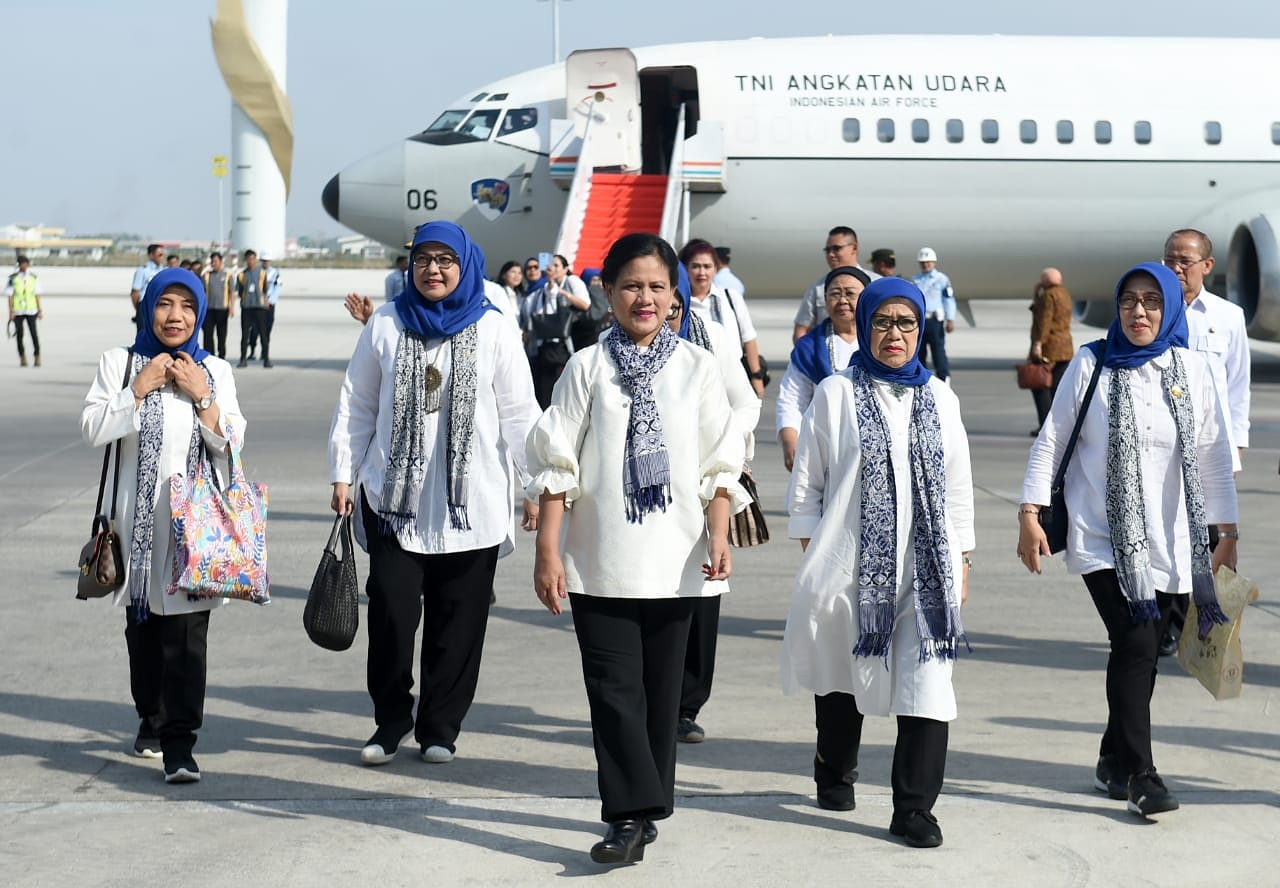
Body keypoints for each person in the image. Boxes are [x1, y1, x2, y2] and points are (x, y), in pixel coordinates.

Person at [527, 232, 746, 865]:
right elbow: (556, 463)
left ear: (674, 296)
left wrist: (720, 534)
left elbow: (719, 463)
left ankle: (645, 807)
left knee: (658, 695)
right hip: (600, 560)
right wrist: (548, 551)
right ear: (608, 292)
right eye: (630, 286)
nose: (643, 298)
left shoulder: (697, 368)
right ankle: (626, 817)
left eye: (656, 286)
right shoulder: (586, 367)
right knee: (612, 692)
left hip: (678, 560)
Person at [1018, 263, 1237, 819]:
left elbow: (1213, 455)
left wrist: (1227, 532)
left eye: (1152, 302)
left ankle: (1113, 758)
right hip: (1102, 536)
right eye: (1129, 301)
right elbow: (1052, 441)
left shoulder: (1192, 369)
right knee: (1137, 644)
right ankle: (1142, 773)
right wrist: (1029, 513)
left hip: (1173, 540)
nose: (1139, 312)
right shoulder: (1090, 363)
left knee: (1143, 653)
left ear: (1170, 309)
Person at [329, 221, 540, 769]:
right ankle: (390, 720)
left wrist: (536, 484)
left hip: (472, 504)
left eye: (446, 260)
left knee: (459, 623)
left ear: (465, 266)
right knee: (392, 617)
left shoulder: (494, 329)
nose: (433, 270)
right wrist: (343, 474)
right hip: (394, 502)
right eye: (424, 259)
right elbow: (357, 403)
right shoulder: (385, 323)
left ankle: (441, 727)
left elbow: (520, 413)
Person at [782, 276, 973, 849]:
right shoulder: (835, 394)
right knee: (843, 680)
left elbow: (958, 489)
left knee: (928, 682)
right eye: (883, 322)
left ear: (920, 329)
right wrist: (816, 556)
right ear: (865, 326)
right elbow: (807, 486)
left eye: (906, 323)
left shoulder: (940, 398)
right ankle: (834, 767)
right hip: (849, 567)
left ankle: (914, 808)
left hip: (927, 569)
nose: (895, 334)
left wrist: (961, 559)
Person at [80, 267, 246, 784]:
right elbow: (92, 429)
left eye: (188, 306)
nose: (176, 316)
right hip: (136, 530)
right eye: (165, 304)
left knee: (188, 639)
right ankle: (150, 719)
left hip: (194, 531)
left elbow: (233, 443)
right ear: (148, 308)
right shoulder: (120, 362)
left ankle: (180, 744)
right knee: (144, 635)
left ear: (200, 313)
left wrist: (203, 397)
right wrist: (137, 390)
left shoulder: (213, 369)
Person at [666, 263, 761, 745]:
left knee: (698, 598)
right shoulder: (605, 351)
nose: (662, 313)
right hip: (641, 495)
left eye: (673, 306)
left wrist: (723, 444)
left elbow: (746, 402)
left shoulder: (713, 340)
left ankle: (685, 706)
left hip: (704, 490)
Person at [1158, 229, 1250, 656]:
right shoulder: (1153, 311)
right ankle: (1169, 626)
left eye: (1185, 261)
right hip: (1163, 446)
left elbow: (1238, 388)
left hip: (1211, 448)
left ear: (1207, 266)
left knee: (1214, 539)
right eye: (1170, 259)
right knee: (1170, 536)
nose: (1176, 268)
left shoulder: (1228, 317)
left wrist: (1236, 449)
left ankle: (1209, 626)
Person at [776, 267, 870, 470]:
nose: (842, 300)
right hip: (823, 448)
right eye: (835, 294)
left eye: (850, 294)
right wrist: (790, 439)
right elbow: (792, 398)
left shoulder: (882, 342)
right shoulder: (808, 348)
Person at [679, 238, 768, 398]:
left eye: (707, 266)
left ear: (716, 268)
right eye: (695, 266)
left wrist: (756, 377)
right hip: (692, 382)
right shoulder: (679, 303)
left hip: (731, 381)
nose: (702, 272)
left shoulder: (730, 297)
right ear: (686, 268)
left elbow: (748, 338)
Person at [523, 253, 590, 408]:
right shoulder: (542, 291)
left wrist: (560, 292)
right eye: (549, 265)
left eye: (556, 265)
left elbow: (585, 305)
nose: (551, 268)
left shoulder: (571, 281)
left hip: (572, 338)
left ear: (565, 269)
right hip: (549, 343)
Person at [793, 226, 878, 342]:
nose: (831, 254)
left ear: (854, 248)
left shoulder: (876, 283)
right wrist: (806, 352)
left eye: (836, 248)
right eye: (827, 250)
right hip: (828, 351)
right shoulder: (818, 288)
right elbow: (802, 330)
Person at [1028, 267, 1075, 434]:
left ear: (1045, 281)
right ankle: (1059, 426)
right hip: (1065, 348)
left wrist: (1038, 344)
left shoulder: (1048, 296)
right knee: (1057, 388)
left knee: (1040, 386)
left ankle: (1046, 426)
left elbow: (1044, 321)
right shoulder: (1065, 294)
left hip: (1050, 348)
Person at [912, 248, 956, 382]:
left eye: (928, 262)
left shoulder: (942, 279)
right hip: (920, 321)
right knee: (919, 352)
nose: (926, 265)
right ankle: (921, 380)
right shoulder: (915, 280)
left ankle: (944, 379)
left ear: (934, 262)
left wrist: (950, 319)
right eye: (923, 262)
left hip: (935, 320)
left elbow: (948, 299)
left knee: (938, 352)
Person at [236, 249, 271, 368]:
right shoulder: (241, 275)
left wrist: (264, 301)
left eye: (253, 259)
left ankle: (266, 359)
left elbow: (265, 290)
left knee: (263, 333)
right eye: (248, 259)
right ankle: (243, 359)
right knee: (245, 334)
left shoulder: (262, 273)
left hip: (259, 307)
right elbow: (240, 292)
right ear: (245, 260)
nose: (251, 261)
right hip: (246, 308)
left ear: (255, 260)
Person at [6, 255, 43, 367]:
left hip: (31, 310)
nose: (24, 266)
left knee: (34, 334)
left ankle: (37, 356)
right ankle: (22, 357)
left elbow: (37, 295)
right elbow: (10, 296)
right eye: (22, 263)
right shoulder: (13, 278)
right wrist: (11, 311)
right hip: (18, 311)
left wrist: (40, 310)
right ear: (19, 265)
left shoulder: (33, 277)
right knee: (19, 334)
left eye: (26, 263)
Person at [201, 251, 233, 360]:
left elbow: (232, 293)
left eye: (215, 261)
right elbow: (203, 292)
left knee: (221, 334)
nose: (213, 263)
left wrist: (232, 308)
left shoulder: (228, 275)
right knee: (208, 334)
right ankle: (209, 356)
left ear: (221, 261)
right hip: (209, 309)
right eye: (212, 261)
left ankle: (221, 355)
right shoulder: (206, 275)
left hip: (222, 309)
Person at [130, 244, 165, 331]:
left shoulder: (164, 270)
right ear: (151, 255)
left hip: (160, 305)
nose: (162, 257)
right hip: (145, 305)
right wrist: (139, 309)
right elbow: (135, 292)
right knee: (143, 332)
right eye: (160, 255)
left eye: (163, 255)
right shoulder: (143, 270)